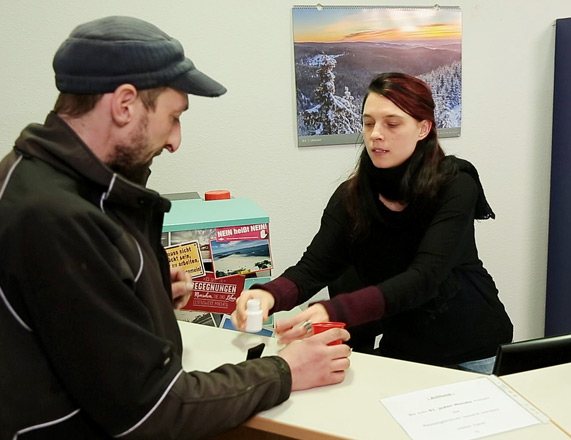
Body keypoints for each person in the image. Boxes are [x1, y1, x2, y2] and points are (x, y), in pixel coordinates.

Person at [0, 16, 350, 440]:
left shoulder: (42, 179)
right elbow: (150, 410)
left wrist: (136, 290)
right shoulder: (55, 216)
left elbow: (67, 326)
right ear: (124, 104)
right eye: (174, 116)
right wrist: (285, 370)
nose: (175, 141)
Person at [232, 72, 513, 374]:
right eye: (368, 123)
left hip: (476, 348)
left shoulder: (455, 186)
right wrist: (269, 294)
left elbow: (425, 277)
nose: (376, 134)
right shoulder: (351, 197)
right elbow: (314, 267)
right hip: (406, 349)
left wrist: (331, 310)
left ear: (423, 128)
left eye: (392, 124)